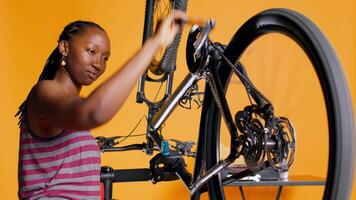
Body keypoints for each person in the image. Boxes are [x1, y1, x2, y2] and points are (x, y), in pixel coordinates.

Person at [16, 11, 187, 200]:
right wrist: (154, 44)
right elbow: (93, 113)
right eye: (91, 51)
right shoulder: (44, 92)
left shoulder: (69, 114)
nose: (98, 64)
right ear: (64, 48)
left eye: (105, 58)